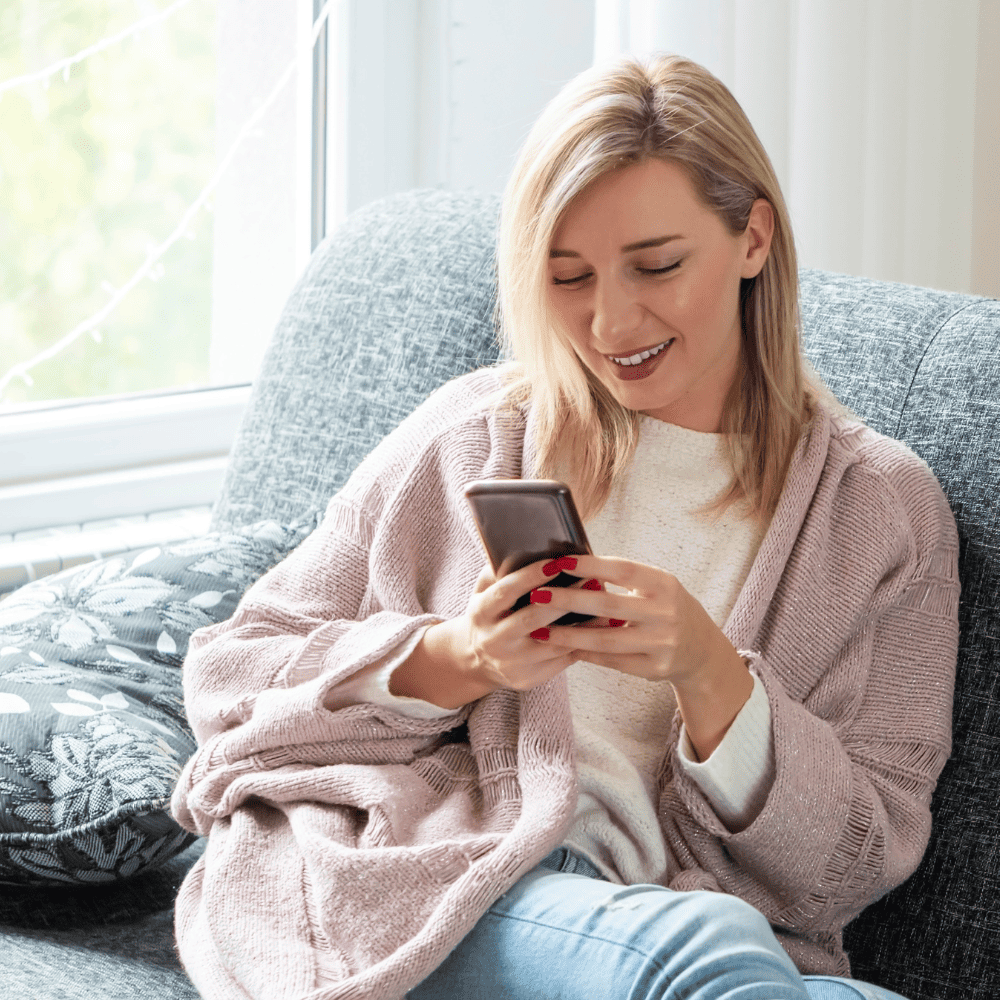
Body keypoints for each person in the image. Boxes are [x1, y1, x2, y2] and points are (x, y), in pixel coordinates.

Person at [170, 54, 959, 1000]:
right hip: (433, 884)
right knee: (705, 954)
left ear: (753, 238)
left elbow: (861, 856)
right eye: (567, 276)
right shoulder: (475, 437)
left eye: (656, 266)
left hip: (687, 932)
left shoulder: (881, 511)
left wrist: (713, 677)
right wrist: (456, 660)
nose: (610, 320)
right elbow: (231, 676)